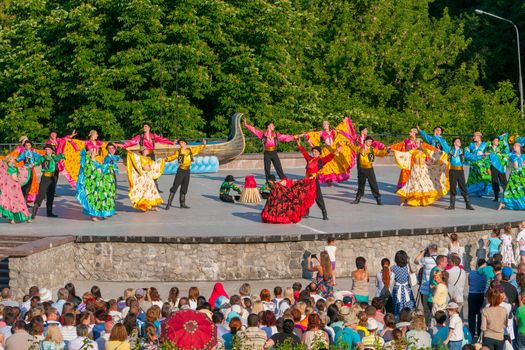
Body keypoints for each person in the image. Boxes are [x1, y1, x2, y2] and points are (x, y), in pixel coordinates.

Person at [393, 137, 449, 206]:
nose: (416, 144)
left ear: (421, 143)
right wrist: (394, 151)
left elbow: (434, 154)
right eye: (415, 142)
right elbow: (405, 155)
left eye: (417, 143)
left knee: (424, 184)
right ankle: (406, 199)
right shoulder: (413, 151)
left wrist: (441, 153)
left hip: (423, 169)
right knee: (413, 184)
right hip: (415, 169)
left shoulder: (425, 150)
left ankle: (422, 200)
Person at [297, 138, 343, 220]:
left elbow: (330, 157)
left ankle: (324, 213)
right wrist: (299, 144)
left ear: (319, 153)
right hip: (307, 181)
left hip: (314, 181)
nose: (314, 153)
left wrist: (336, 151)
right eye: (313, 151)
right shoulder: (309, 159)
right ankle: (306, 213)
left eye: (315, 152)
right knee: (305, 196)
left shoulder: (320, 161)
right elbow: (304, 153)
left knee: (319, 198)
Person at [304, 117, 356, 184]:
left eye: (326, 124)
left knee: (335, 164)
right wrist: (306, 134)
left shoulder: (333, 131)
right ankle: (328, 179)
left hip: (333, 149)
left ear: (328, 125)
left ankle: (334, 177)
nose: (325, 125)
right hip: (326, 150)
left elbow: (341, 130)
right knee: (327, 165)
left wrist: (344, 121)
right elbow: (313, 134)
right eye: (323, 124)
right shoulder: (321, 132)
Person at [345, 136, 390, 205]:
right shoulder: (359, 148)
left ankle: (378, 199)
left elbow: (380, 153)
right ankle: (357, 199)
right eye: (369, 141)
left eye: (371, 141)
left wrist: (386, 152)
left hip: (369, 169)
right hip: (361, 169)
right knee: (361, 185)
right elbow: (352, 147)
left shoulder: (372, 149)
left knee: (373, 185)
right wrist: (347, 143)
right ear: (365, 141)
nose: (370, 142)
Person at [75, 148, 116, 221]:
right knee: (93, 199)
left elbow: (102, 170)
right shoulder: (88, 162)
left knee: (99, 199)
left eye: (95, 150)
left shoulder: (96, 161)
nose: (96, 151)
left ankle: (100, 213)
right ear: (90, 153)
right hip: (92, 184)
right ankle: (93, 216)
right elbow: (88, 171)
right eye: (94, 150)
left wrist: (107, 167)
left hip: (99, 183)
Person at [164, 138, 206, 209]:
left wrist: (203, 144)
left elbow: (197, 148)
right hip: (180, 170)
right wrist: (167, 159)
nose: (181, 143)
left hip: (187, 171)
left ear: (185, 143)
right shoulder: (178, 152)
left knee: (184, 187)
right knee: (175, 186)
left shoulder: (190, 150)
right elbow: (173, 157)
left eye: (182, 142)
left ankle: (182, 203)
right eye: (180, 142)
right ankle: (169, 203)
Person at [439, 137, 475, 210]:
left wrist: (481, 156)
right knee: (453, 187)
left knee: (463, 187)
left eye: (460, 141)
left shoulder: (463, 151)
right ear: (454, 143)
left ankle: (468, 204)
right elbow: (443, 142)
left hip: (460, 171)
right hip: (452, 170)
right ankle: (452, 205)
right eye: (457, 141)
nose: (459, 142)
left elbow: (471, 156)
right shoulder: (450, 150)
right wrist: (437, 136)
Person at [31, 144, 65, 219]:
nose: (47, 151)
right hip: (45, 177)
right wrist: (32, 165)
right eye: (46, 149)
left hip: (53, 178)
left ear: (52, 151)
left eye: (48, 149)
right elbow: (37, 162)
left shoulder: (54, 157)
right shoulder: (43, 158)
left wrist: (63, 155)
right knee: (41, 194)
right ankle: (34, 210)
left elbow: (61, 156)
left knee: (51, 194)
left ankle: (49, 212)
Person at [0, 155, 31, 224]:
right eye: (12, 159)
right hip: (9, 187)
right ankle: (12, 219)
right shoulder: (6, 168)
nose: (13, 161)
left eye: (13, 160)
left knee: (20, 201)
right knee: (10, 202)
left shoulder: (15, 168)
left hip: (16, 187)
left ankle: (26, 217)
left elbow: (23, 169)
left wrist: (28, 167)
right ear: (9, 160)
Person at [414, 243, 438, 325]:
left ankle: (427, 326)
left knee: (427, 310)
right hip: (437, 288)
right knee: (436, 309)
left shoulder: (426, 259)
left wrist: (423, 251)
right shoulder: (440, 259)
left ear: (429, 250)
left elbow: (416, 261)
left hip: (426, 289)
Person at [499, 142, 525, 210]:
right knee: (510, 190)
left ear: (519, 147)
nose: (514, 147)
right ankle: (503, 203)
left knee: (521, 190)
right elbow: (502, 156)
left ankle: (520, 204)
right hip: (514, 175)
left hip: (522, 176)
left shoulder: (524, 156)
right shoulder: (511, 155)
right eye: (513, 146)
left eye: (515, 146)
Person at [465, 131, 492, 197]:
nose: (473, 137)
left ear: (479, 137)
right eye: (473, 136)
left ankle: (482, 191)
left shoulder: (485, 144)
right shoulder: (471, 145)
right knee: (473, 178)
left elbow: (490, 152)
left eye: (474, 136)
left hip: (482, 165)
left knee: (483, 177)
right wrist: (470, 156)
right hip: (474, 165)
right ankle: (473, 191)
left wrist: (486, 155)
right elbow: (466, 151)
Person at [485, 135, 510, 202]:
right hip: (493, 167)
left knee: (504, 181)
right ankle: (496, 197)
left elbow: (506, 153)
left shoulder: (501, 148)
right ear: (492, 142)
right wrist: (487, 168)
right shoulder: (488, 149)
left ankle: (507, 195)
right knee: (494, 181)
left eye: (498, 140)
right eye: (496, 140)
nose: (497, 142)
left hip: (501, 167)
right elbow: (487, 159)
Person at [391, 250, 416, 316]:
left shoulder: (393, 268)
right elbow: (412, 275)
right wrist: (409, 263)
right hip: (407, 288)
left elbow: (391, 279)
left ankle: (398, 318)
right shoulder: (407, 267)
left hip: (397, 288)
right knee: (408, 303)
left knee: (397, 304)